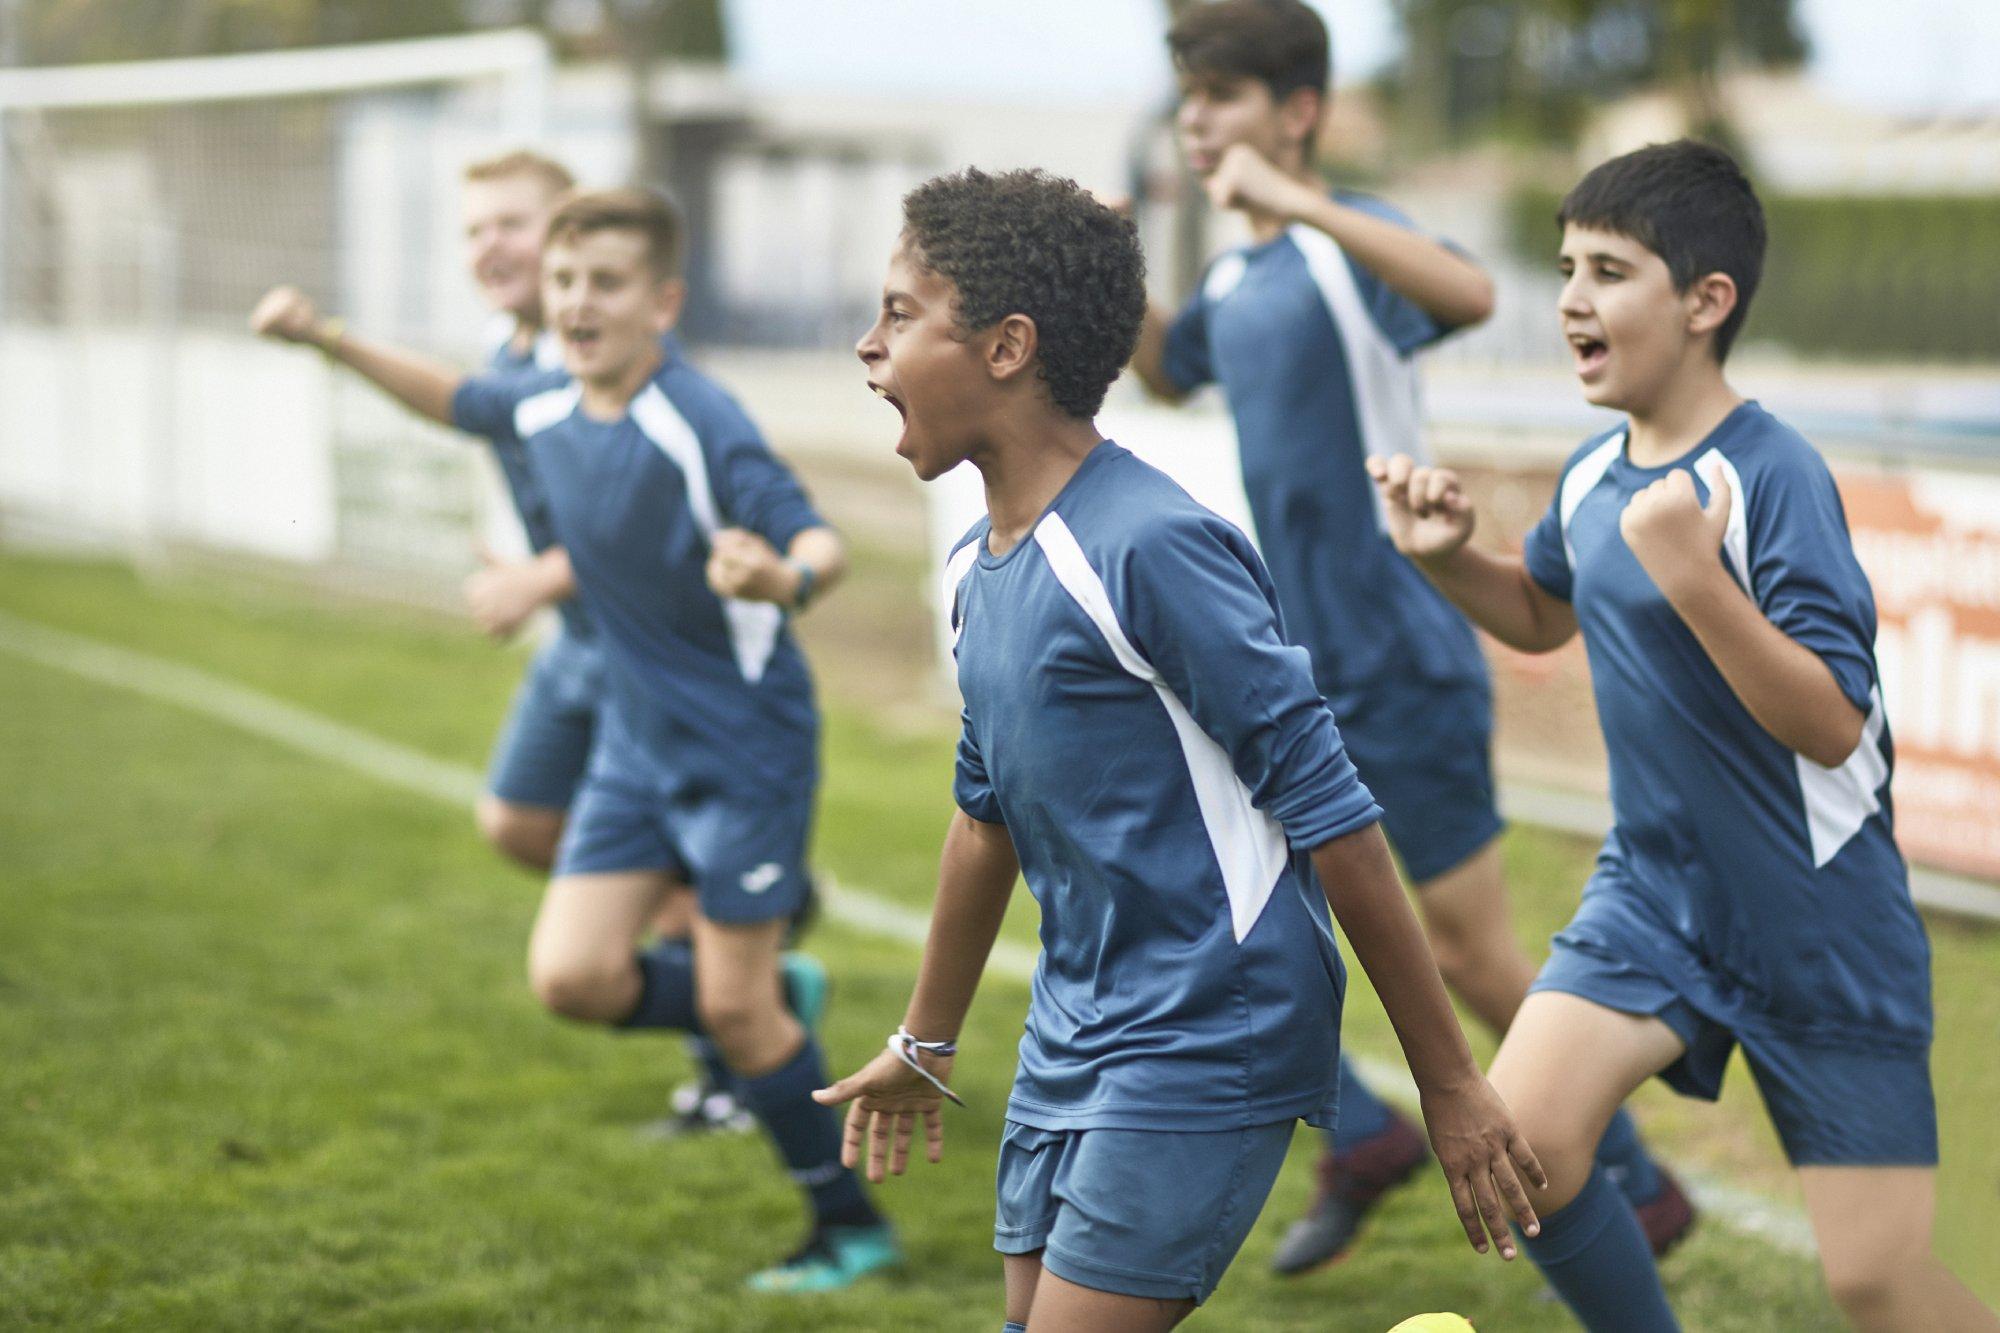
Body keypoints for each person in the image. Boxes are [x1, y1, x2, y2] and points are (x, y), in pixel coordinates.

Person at [819, 166, 1543, 1333]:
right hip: (1076, 1026)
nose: (868, 345)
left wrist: (1449, 1082)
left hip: (1210, 1028)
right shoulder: (978, 570)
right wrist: (925, 1037)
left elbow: (1334, 816)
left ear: (1006, 347)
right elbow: (981, 819)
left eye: (901, 314)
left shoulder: (1152, 546)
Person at [1370, 139, 1996, 1332]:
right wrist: (1449, 561)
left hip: (1819, 922)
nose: (1567, 299)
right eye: (1564, 267)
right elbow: (1544, 611)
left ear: (1704, 302)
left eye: (1606, 270)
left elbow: (1828, 724)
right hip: (1649, 900)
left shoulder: (1773, 474)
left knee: (1877, 1280)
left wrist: (1697, 579)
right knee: (1523, 1151)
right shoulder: (1591, 470)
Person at [1124, 0, 1687, 1272]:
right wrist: (1115, 274)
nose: (1196, 121)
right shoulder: (1234, 274)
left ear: (1296, 110)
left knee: (1463, 949)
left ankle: (1639, 1186)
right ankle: (1367, 1135)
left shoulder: (1342, 250)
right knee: (1218, 923)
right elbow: (1171, 370)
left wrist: (1299, 198)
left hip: (1396, 652)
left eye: (1219, 97)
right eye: (1187, 98)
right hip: (1290, 661)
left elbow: (1474, 287)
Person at [259, 185, 893, 1291]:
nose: (575, 303)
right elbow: (455, 398)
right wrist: (328, 338)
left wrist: (783, 574)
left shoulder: (696, 417)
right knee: (573, 978)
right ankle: (764, 1004)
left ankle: (850, 1228)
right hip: (633, 744)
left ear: (662, 300)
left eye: (602, 284)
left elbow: (816, 537)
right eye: (562, 284)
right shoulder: (544, 403)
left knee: (734, 1006)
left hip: (743, 747)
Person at [252, 150, 775, 1139]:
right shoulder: (510, 359)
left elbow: (669, 530)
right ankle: (744, 932)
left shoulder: (631, 366)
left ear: (573, 236)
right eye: (472, 228)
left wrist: (542, 575)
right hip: (575, 645)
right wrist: (327, 339)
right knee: (515, 821)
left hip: (648, 658)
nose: (489, 244)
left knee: (648, 870)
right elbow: (455, 401)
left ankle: (730, 1062)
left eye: (512, 224)